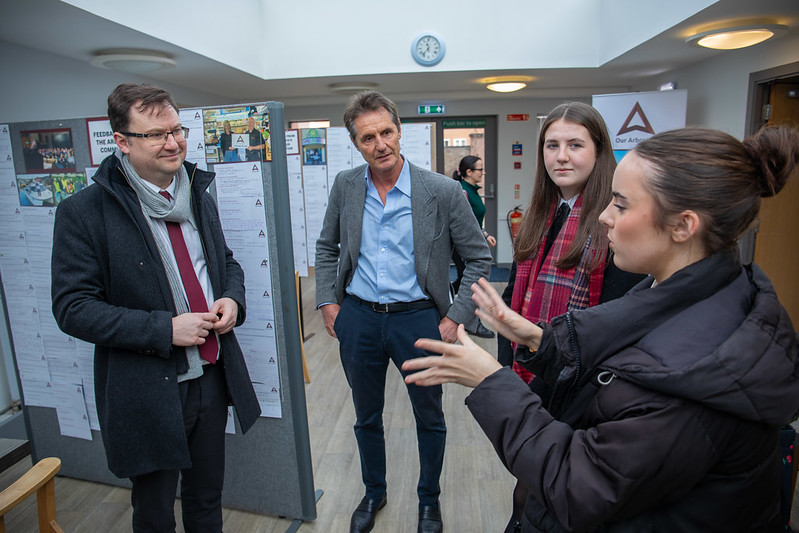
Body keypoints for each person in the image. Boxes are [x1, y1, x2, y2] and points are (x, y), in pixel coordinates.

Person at [404, 125, 799, 532]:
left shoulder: (699, 373)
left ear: (683, 226)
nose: (605, 217)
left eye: (622, 205)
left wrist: (489, 380)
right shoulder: (691, 289)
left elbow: (580, 487)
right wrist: (538, 339)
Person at [51, 83, 261, 532]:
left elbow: (224, 262)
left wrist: (231, 299)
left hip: (210, 374)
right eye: (155, 134)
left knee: (207, 501)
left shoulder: (196, 193)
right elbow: (72, 308)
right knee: (154, 513)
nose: (173, 142)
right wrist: (164, 329)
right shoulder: (85, 212)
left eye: (177, 129)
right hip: (148, 388)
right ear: (122, 142)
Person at [315, 91, 492, 533]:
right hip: (358, 316)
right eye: (368, 137)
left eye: (387, 132)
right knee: (365, 415)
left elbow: (478, 259)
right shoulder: (346, 185)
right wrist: (328, 301)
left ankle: (428, 500)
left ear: (400, 130)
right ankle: (374, 491)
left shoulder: (443, 191)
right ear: (356, 143)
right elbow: (326, 247)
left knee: (429, 416)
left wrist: (455, 316)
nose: (380, 145)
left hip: (419, 319)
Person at [499, 102, 644, 530]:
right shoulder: (540, 213)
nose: (561, 156)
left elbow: (618, 317)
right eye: (552, 145)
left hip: (578, 382)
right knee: (529, 480)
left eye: (575, 145)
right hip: (530, 369)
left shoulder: (613, 221)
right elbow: (515, 292)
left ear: (600, 152)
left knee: (551, 489)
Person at [452, 155, 497, 339]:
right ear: (469, 172)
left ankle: (441, 299)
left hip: (471, 243)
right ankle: (473, 323)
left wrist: (485, 235)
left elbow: (475, 220)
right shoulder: (462, 191)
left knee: (463, 281)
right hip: (463, 246)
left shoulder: (472, 190)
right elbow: (463, 221)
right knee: (472, 283)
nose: (483, 172)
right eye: (480, 169)